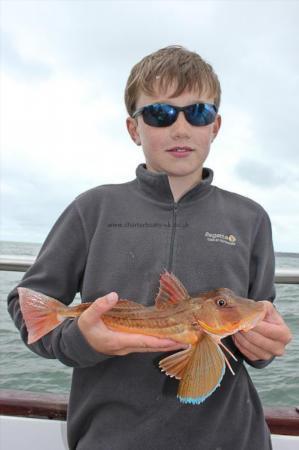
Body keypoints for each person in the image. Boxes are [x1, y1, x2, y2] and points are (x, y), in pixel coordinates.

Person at [8, 45, 292, 450]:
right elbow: (29, 306)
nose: (180, 129)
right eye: (160, 114)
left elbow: (255, 312)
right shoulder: (93, 208)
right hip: (112, 437)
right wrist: (82, 342)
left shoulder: (250, 218)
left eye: (198, 112)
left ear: (215, 126)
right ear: (133, 128)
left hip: (232, 437)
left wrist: (264, 345)